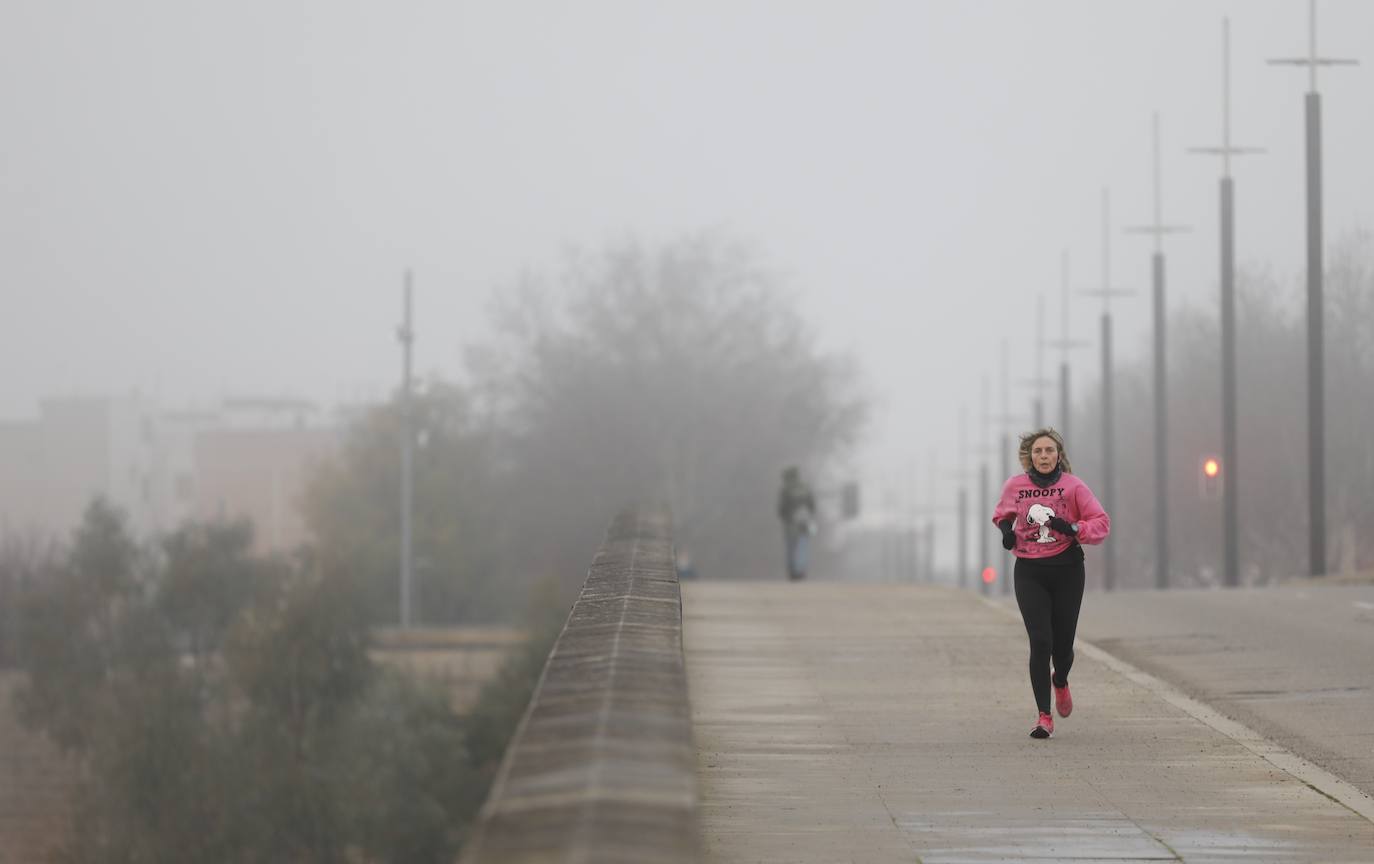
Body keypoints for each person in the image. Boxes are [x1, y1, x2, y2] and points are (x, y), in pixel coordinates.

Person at [991, 428, 1110, 739]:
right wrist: (1006, 531)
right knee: (1040, 641)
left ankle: (1061, 680)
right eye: (1038, 451)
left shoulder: (1073, 486)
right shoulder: (1015, 486)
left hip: (1068, 570)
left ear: (1059, 455)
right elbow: (1002, 514)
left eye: (1049, 451)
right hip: (1030, 571)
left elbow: (1101, 523)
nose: (1044, 456)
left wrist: (1071, 526)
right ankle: (1044, 717)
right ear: (1030, 456)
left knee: (1063, 647)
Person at [777, 466, 816, 581]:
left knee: (791, 547)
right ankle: (801, 570)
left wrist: (785, 517)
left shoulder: (785, 489)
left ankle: (793, 572)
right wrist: (809, 516)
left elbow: (781, 508)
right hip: (804, 521)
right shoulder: (805, 487)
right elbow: (812, 504)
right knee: (802, 546)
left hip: (790, 522)